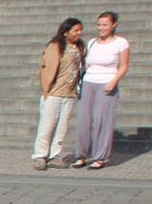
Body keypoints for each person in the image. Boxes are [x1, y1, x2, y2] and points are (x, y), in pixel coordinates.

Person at [74, 11, 129, 170]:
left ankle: (100, 157)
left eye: (105, 25)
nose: (101, 28)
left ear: (113, 25)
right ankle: (81, 155)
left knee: (101, 120)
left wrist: (114, 81)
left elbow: (124, 65)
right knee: (84, 120)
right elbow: (86, 64)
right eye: (99, 25)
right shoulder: (92, 42)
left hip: (107, 82)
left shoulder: (121, 43)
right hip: (89, 81)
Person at [32, 18, 85, 170]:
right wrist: (46, 90)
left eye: (80, 30)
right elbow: (46, 68)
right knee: (47, 125)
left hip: (69, 93)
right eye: (76, 30)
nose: (79, 33)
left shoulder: (79, 47)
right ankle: (40, 155)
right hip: (55, 91)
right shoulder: (55, 46)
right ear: (66, 31)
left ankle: (55, 155)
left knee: (62, 127)